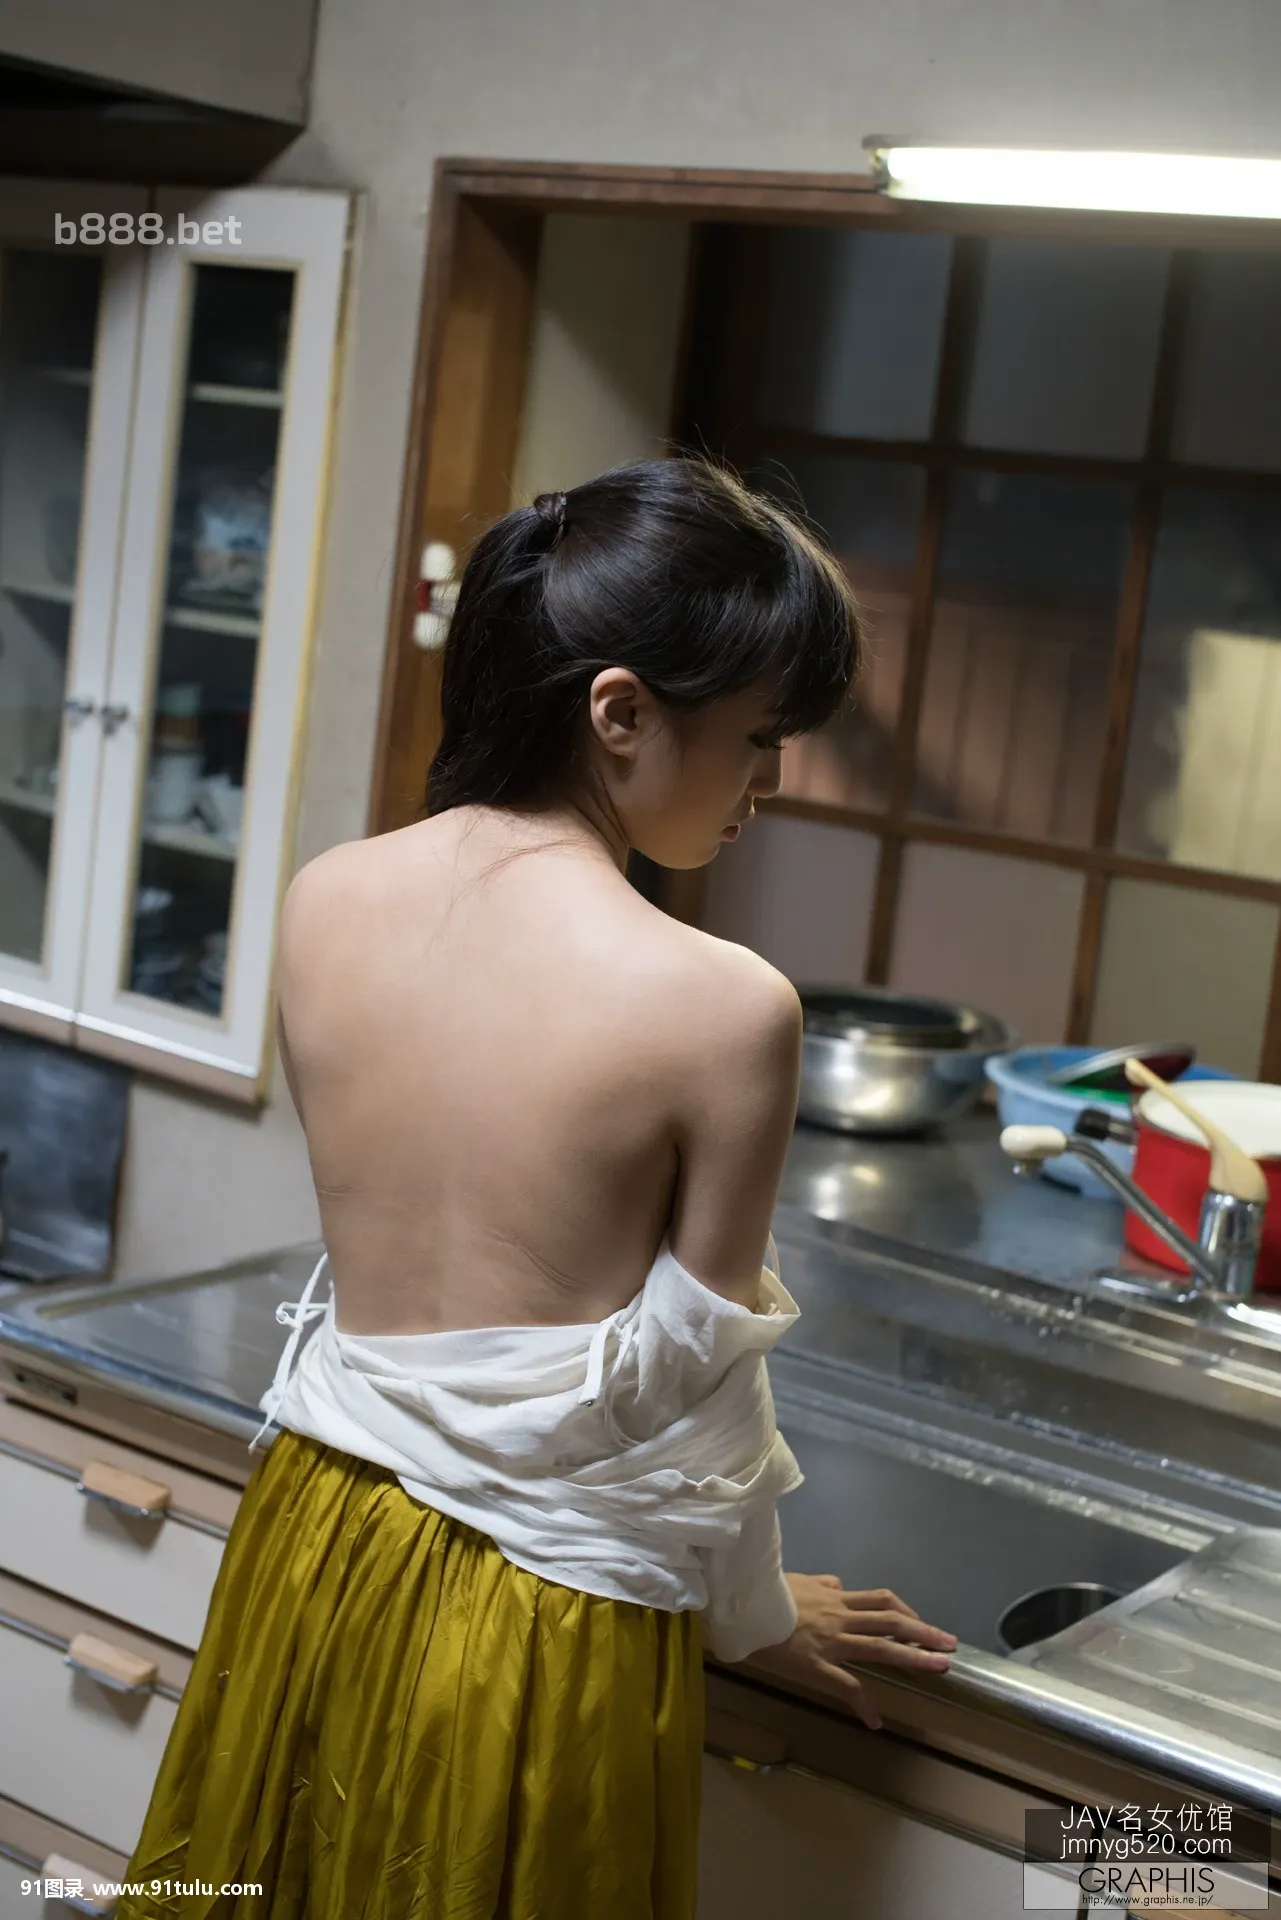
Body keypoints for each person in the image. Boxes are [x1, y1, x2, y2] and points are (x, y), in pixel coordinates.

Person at [116, 455, 957, 1920]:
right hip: (536, 1616)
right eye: (759, 740)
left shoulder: (326, 896)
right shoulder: (726, 1007)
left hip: (318, 1535)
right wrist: (759, 1617)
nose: (768, 786)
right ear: (619, 711)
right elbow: (690, 1396)